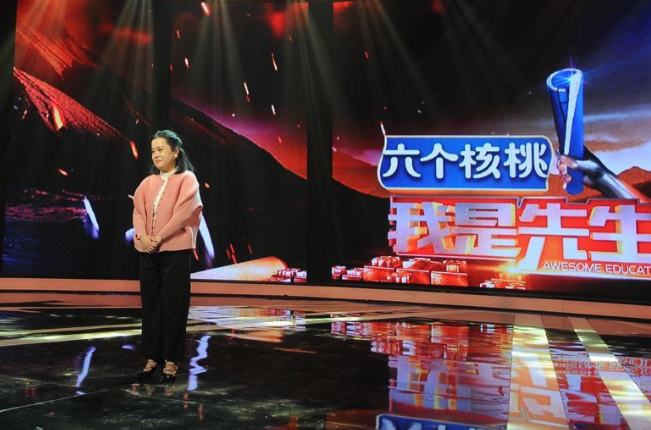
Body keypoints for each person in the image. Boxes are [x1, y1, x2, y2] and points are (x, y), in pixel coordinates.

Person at [132, 130, 203, 382]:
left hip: (175, 250)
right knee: (151, 305)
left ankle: (171, 360)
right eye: (153, 150)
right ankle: (152, 357)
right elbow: (138, 212)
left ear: (175, 151)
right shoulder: (147, 182)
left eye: (160, 149)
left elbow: (184, 213)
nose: (156, 154)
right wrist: (143, 237)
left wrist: (159, 237)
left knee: (174, 305)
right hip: (148, 251)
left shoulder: (187, 179)